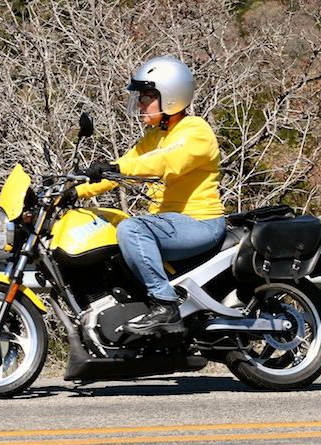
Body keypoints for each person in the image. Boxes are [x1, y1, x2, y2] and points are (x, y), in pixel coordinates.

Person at [73, 56, 226, 336]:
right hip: (171, 224)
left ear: (170, 97)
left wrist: (116, 166)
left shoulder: (196, 132)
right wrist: (72, 190)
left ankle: (165, 305)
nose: (140, 105)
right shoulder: (154, 136)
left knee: (132, 228)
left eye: (146, 97)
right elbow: (119, 173)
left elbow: (164, 162)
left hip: (201, 223)